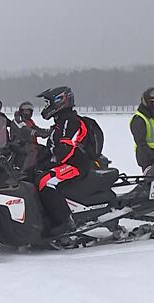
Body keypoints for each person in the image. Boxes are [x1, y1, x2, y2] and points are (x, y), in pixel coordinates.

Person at [36, 86, 93, 238]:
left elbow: (65, 149)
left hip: (75, 164)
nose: (46, 107)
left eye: (48, 103)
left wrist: (50, 163)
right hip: (63, 163)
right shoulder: (60, 122)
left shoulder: (70, 121)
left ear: (60, 101)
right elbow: (52, 148)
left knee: (46, 182)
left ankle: (65, 223)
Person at [129, 87, 154, 173]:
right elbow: (141, 142)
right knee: (151, 181)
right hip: (147, 157)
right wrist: (151, 156)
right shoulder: (139, 119)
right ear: (148, 103)